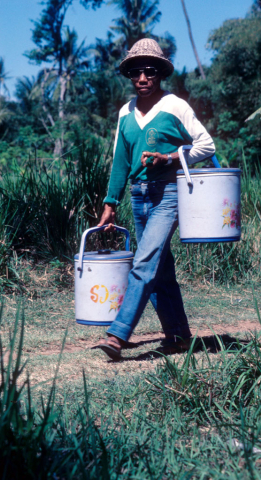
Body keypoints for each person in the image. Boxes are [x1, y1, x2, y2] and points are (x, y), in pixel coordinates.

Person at [94, 38, 215, 360]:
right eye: (135, 73)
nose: (142, 78)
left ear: (160, 73)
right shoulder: (126, 112)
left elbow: (207, 145)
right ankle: (178, 336)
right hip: (138, 196)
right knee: (160, 271)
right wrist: (110, 203)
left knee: (143, 263)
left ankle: (118, 335)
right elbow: (120, 160)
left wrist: (172, 157)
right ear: (130, 77)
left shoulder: (175, 105)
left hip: (169, 193)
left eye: (149, 71)